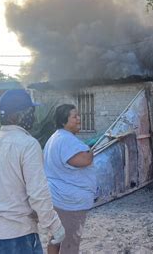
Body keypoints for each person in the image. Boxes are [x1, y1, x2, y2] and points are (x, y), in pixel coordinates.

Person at [0, 89, 65, 254]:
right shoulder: (28, 144)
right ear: (14, 116)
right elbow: (37, 192)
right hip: (16, 234)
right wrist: (54, 225)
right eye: (30, 112)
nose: (33, 116)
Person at [44, 104, 97, 254]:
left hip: (58, 198)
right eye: (75, 117)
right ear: (63, 121)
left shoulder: (55, 137)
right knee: (70, 243)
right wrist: (90, 151)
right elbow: (84, 160)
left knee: (56, 237)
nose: (79, 119)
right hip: (69, 203)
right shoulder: (65, 139)